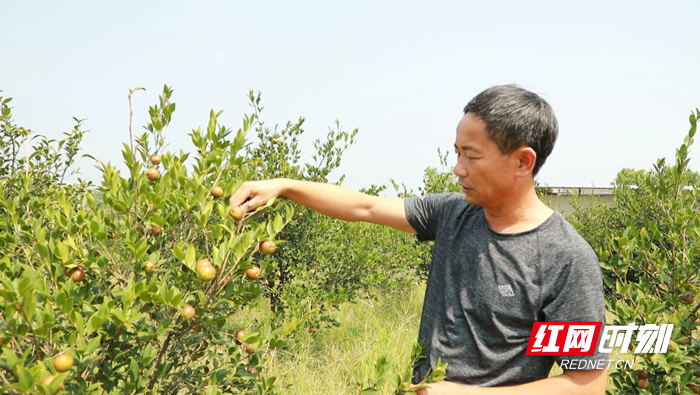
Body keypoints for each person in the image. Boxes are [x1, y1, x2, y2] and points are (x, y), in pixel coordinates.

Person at [229, 85, 608, 394]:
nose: (458, 168)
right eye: (457, 152)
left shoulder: (564, 258)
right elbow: (365, 207)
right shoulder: (453, 213)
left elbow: (586, 382)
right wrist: (284, 186)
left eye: (472, 157)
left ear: (523, 161)